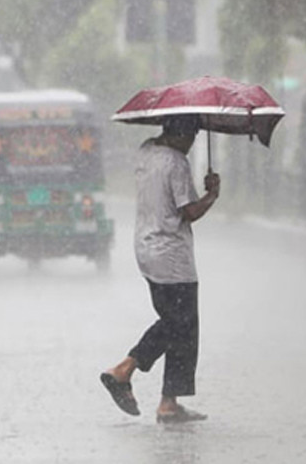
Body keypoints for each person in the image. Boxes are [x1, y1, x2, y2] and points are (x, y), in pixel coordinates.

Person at [100, 114, 219, 423]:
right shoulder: (176, 162)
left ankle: (169, 403)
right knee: (180, 323)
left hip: (146, 248)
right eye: (191, 137)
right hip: (172, 256)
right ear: (185, 133)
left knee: (179, 325)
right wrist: (211, 195)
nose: (191, 145)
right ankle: (124, 370)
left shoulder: (146, 150)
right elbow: (189, 212)